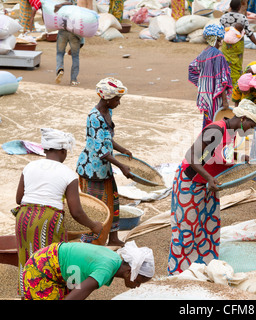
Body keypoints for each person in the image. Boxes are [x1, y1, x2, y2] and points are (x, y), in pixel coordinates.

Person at [168, 100, 256, 276]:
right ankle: (179, 275)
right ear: (243, 118)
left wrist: (241, 156)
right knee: (187, 229)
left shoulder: (232, 131)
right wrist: (209, 178)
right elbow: (191, 156)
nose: (252, 129)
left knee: (208, 227)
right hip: (190, 183)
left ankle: (204, 270)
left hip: (208, 184)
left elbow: (220, 153)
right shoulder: (216, 130)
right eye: (252, 125)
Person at [14, 128, 103, 297]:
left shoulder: (29, 166)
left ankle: (28, 294)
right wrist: (94, 225)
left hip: (24, 217)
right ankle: (55, 295)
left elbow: (19, 199)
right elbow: (76, 211)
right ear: (63, 151)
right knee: (54, 260)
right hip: (48, 220)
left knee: (27, 259)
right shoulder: (68, 174)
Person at [76, 77, 134, 247]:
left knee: (113, 201)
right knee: (97, 208)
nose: (118, 103)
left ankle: (113, 238)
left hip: (104, 169)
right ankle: (93, 242)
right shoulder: (94, 117)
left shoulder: (108, 112)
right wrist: (122, 166)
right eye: (117, 99)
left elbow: (107, 140)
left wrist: (122, 149)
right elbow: (101, 150)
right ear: (107, 99)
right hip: (92, 170)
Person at [22, 240, 153, 300]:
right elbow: (77, 294)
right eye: (139, 281)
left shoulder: (113, 258)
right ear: (131, 272)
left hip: (49, 262)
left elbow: (77, 287)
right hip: (42, 270)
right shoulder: (105, 270)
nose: (137, 286)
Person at [188, 24, 233, 128]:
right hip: (216, 97)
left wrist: (203, 84)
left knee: (207, 120)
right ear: (216, 39)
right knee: (217, 122)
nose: (220, 43)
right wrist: (225, 101)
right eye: (219, 40)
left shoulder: (203, 53)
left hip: (205, 95)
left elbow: (192, 68)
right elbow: (221, 80)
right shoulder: (218, 55)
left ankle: (205, 141)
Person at [220, 0, 256, 87]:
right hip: (238, 45)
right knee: (237, 65)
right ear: (239, 7)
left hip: (226, 44)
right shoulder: (242, 18)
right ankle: (237, 84)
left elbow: (219, 32)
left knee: (226, 63)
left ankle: (226, 82)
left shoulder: (224, 17)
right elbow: (249, 33)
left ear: (230, 6)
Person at [54, 2, 85, 86]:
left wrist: (62, 4)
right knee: (75, 56)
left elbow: (55, 10)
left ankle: (60, 69)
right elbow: (81, 26)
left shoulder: (61, 8)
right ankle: (73, 80)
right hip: (74, 34)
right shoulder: (77, 10)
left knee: (60, 53)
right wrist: (81, 42)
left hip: (62, 33)